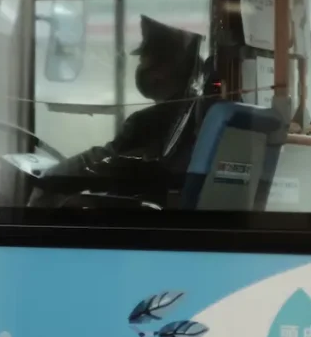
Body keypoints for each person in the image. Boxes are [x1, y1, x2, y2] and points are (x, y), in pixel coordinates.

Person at [28, 15, 205, 207]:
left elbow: (102, 161)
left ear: (165, 67)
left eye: (143, 59)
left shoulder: (148, 122)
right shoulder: (184, 111)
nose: (139, 68)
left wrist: (50, 178)